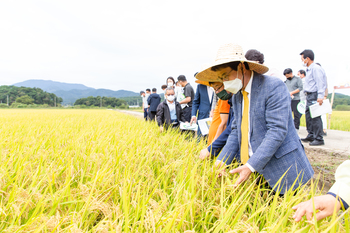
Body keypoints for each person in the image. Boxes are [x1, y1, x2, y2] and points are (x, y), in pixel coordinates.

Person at [196, 43, 314, 194]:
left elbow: (277, 131)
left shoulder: (273, 87)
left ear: (241, 67)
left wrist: (251, 166)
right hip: (255, 170)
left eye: (225, 76)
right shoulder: (238, 95)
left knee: (287, 214)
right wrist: (222, 159)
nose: (224, 83)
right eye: (221, 79)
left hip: (283, 169)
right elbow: (236, 131)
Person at [300, 49, 327, 146]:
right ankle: (311, 134)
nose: (302, 61)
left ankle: (319, 138)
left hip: (314, 95)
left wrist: (320, 96)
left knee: (315, 116)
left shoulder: (316, 68)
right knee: (308, 116)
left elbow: (320, 82)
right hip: (309, 95)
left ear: (307, 58)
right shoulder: (309, 69)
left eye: (302, 59)